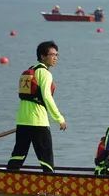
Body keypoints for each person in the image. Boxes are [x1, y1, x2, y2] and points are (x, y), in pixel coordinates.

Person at [8, 41, 66, 173]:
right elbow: (47, 97)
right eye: (52, 54)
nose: (55, 57)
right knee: (46, 159)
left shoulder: (29, 72)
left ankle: (7, 178)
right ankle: (50, 185)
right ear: (42, 56)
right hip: (38, 122)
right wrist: (59, 119)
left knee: (18, 154)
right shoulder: (45, 73)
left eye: (57, 55)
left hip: (22, 120)